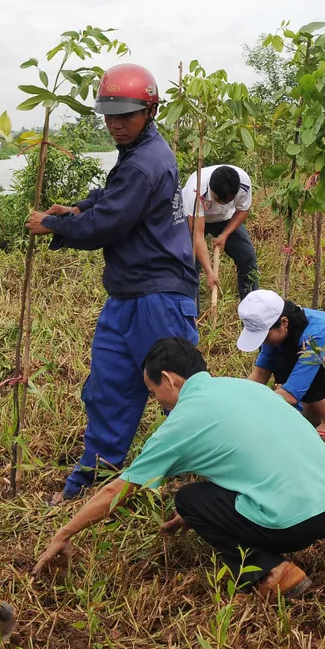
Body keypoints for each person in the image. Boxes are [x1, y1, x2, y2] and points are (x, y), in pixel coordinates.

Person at [34, 338, 325, 598]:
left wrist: (65, 532)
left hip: (293, 523)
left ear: (169, 379)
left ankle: (273, 573)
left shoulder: (182, 421)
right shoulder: (248, 388)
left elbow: (117, 490)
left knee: (190, 499)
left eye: (154, 392)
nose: (157, 401)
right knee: (202, 502)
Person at [25, 63, 199, 502]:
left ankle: (203, 481)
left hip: (158, 296)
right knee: (108, 391)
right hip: (126, 294)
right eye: (109, 115)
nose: (115, 124)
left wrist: (53, 224)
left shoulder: (145, 163)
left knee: (182, 393)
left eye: (126, 115)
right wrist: (77, 208)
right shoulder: (138, 154)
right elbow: (111, 199)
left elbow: (109, 223)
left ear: (150, 111)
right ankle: (91, 481)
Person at [236, 289, 325, 442]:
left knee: (291, 363)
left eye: (264, 336)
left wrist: (255, 404)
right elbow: (260, 374)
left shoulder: (315, 334)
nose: (263, 341)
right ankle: (315, 411)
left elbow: (291, 393)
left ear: (284, 322)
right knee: (282, 357)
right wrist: (238, 400)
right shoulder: (282, 330)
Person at [182, 164, 258, 301]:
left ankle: (251, 305)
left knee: (248, 257)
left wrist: (225, 234)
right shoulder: (196, 189)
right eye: (218, 200)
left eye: (227, 201)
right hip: (195, 219)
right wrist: (209, 272)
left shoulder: (243, 183)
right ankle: (191, 310)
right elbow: (198, 236)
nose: (222, 203)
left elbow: (242, 210)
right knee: (190, 264)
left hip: (225, 218)